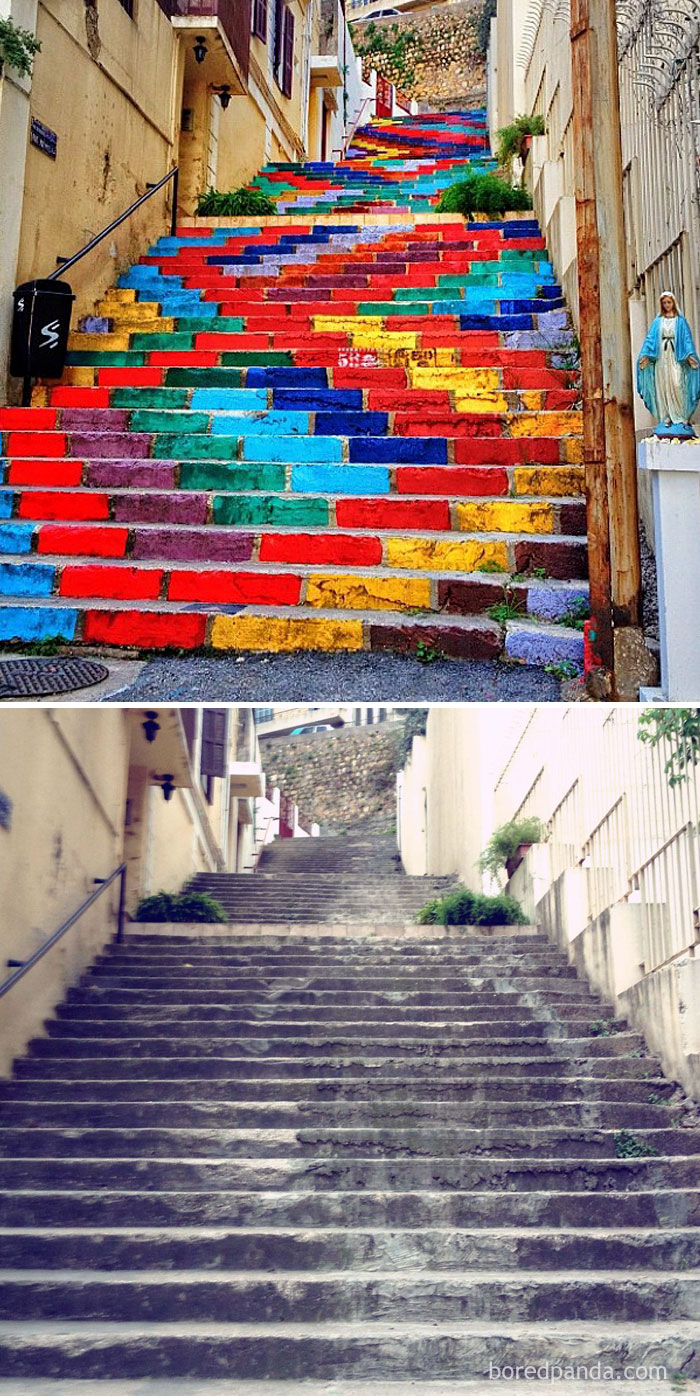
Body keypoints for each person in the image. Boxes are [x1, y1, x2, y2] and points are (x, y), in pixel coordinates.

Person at [636, 291, 700, 432]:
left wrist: (690, 355)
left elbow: (687, 340)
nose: (666, 305)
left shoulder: (680, 322)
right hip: (662, 358)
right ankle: (666, 416)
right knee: (663, 385)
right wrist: (645, 356)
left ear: (673, 303)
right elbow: (650, 340)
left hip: (675, 357)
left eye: (669, 302)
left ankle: (680, 415)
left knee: (677, 384)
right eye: (664, 303)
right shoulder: (658, 322)